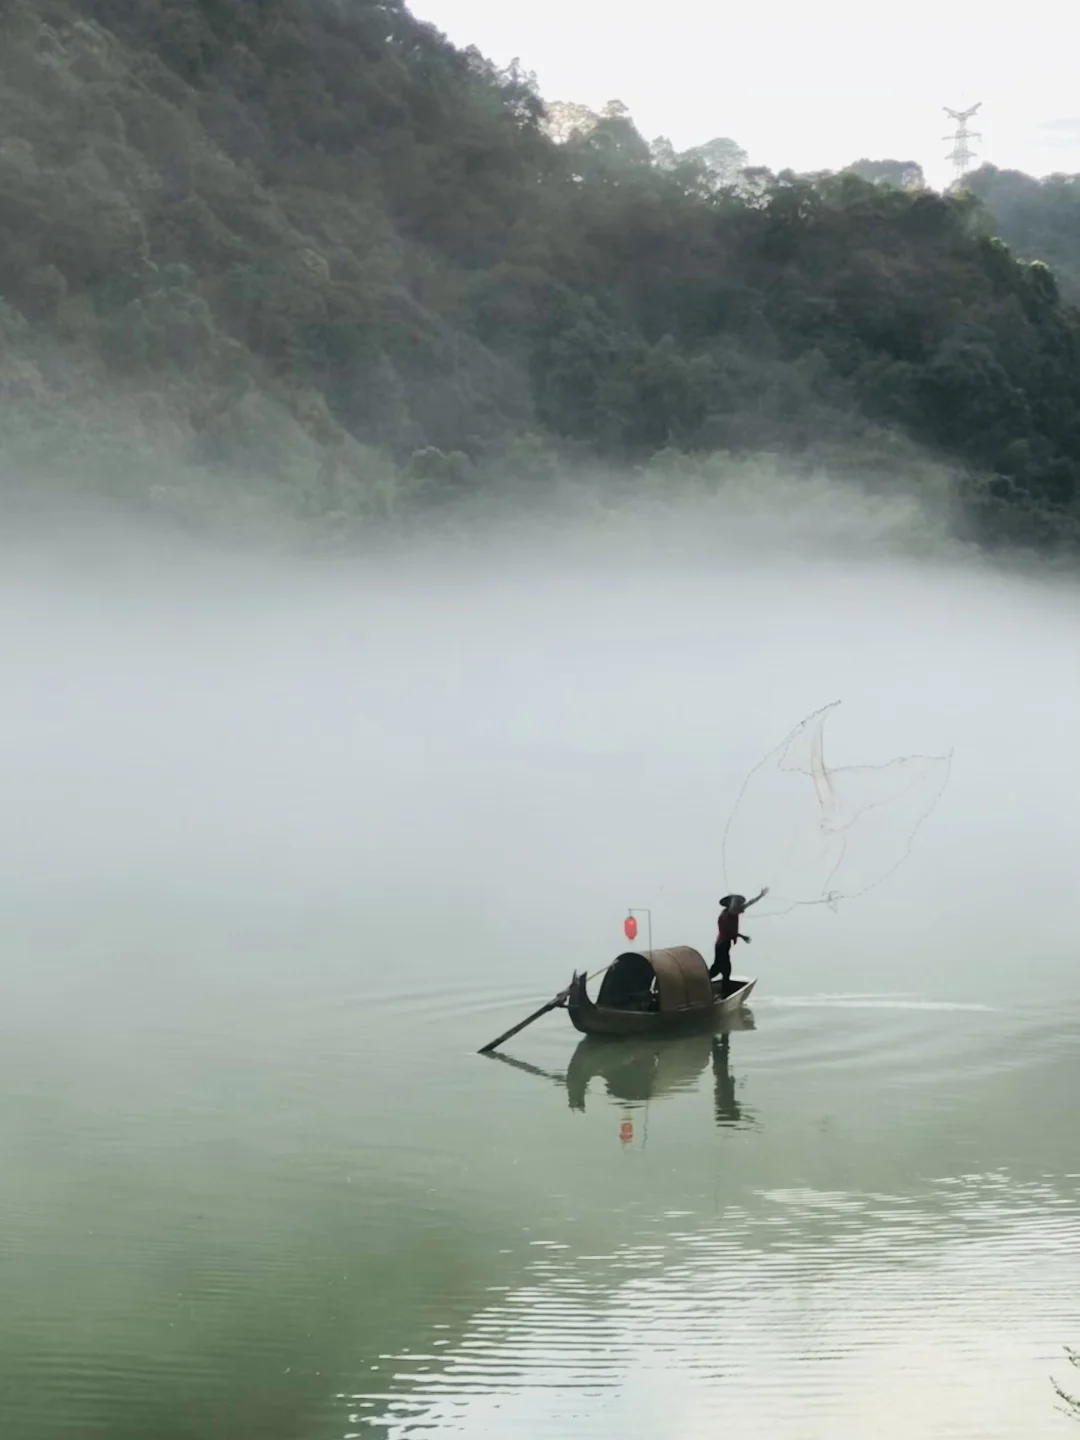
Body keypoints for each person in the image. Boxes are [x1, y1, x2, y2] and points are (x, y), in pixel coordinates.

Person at [711, 887, 769, 987]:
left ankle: (708, 982)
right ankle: (724, 990)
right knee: (724, 968)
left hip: (724, 944)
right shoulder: (725, 915)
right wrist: (742, 936)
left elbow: (749, 903)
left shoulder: (732, 912)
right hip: (722, 944)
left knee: (719, 967)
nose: (737, 905)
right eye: (735, 902)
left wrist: (760, 896)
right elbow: (728, 931)